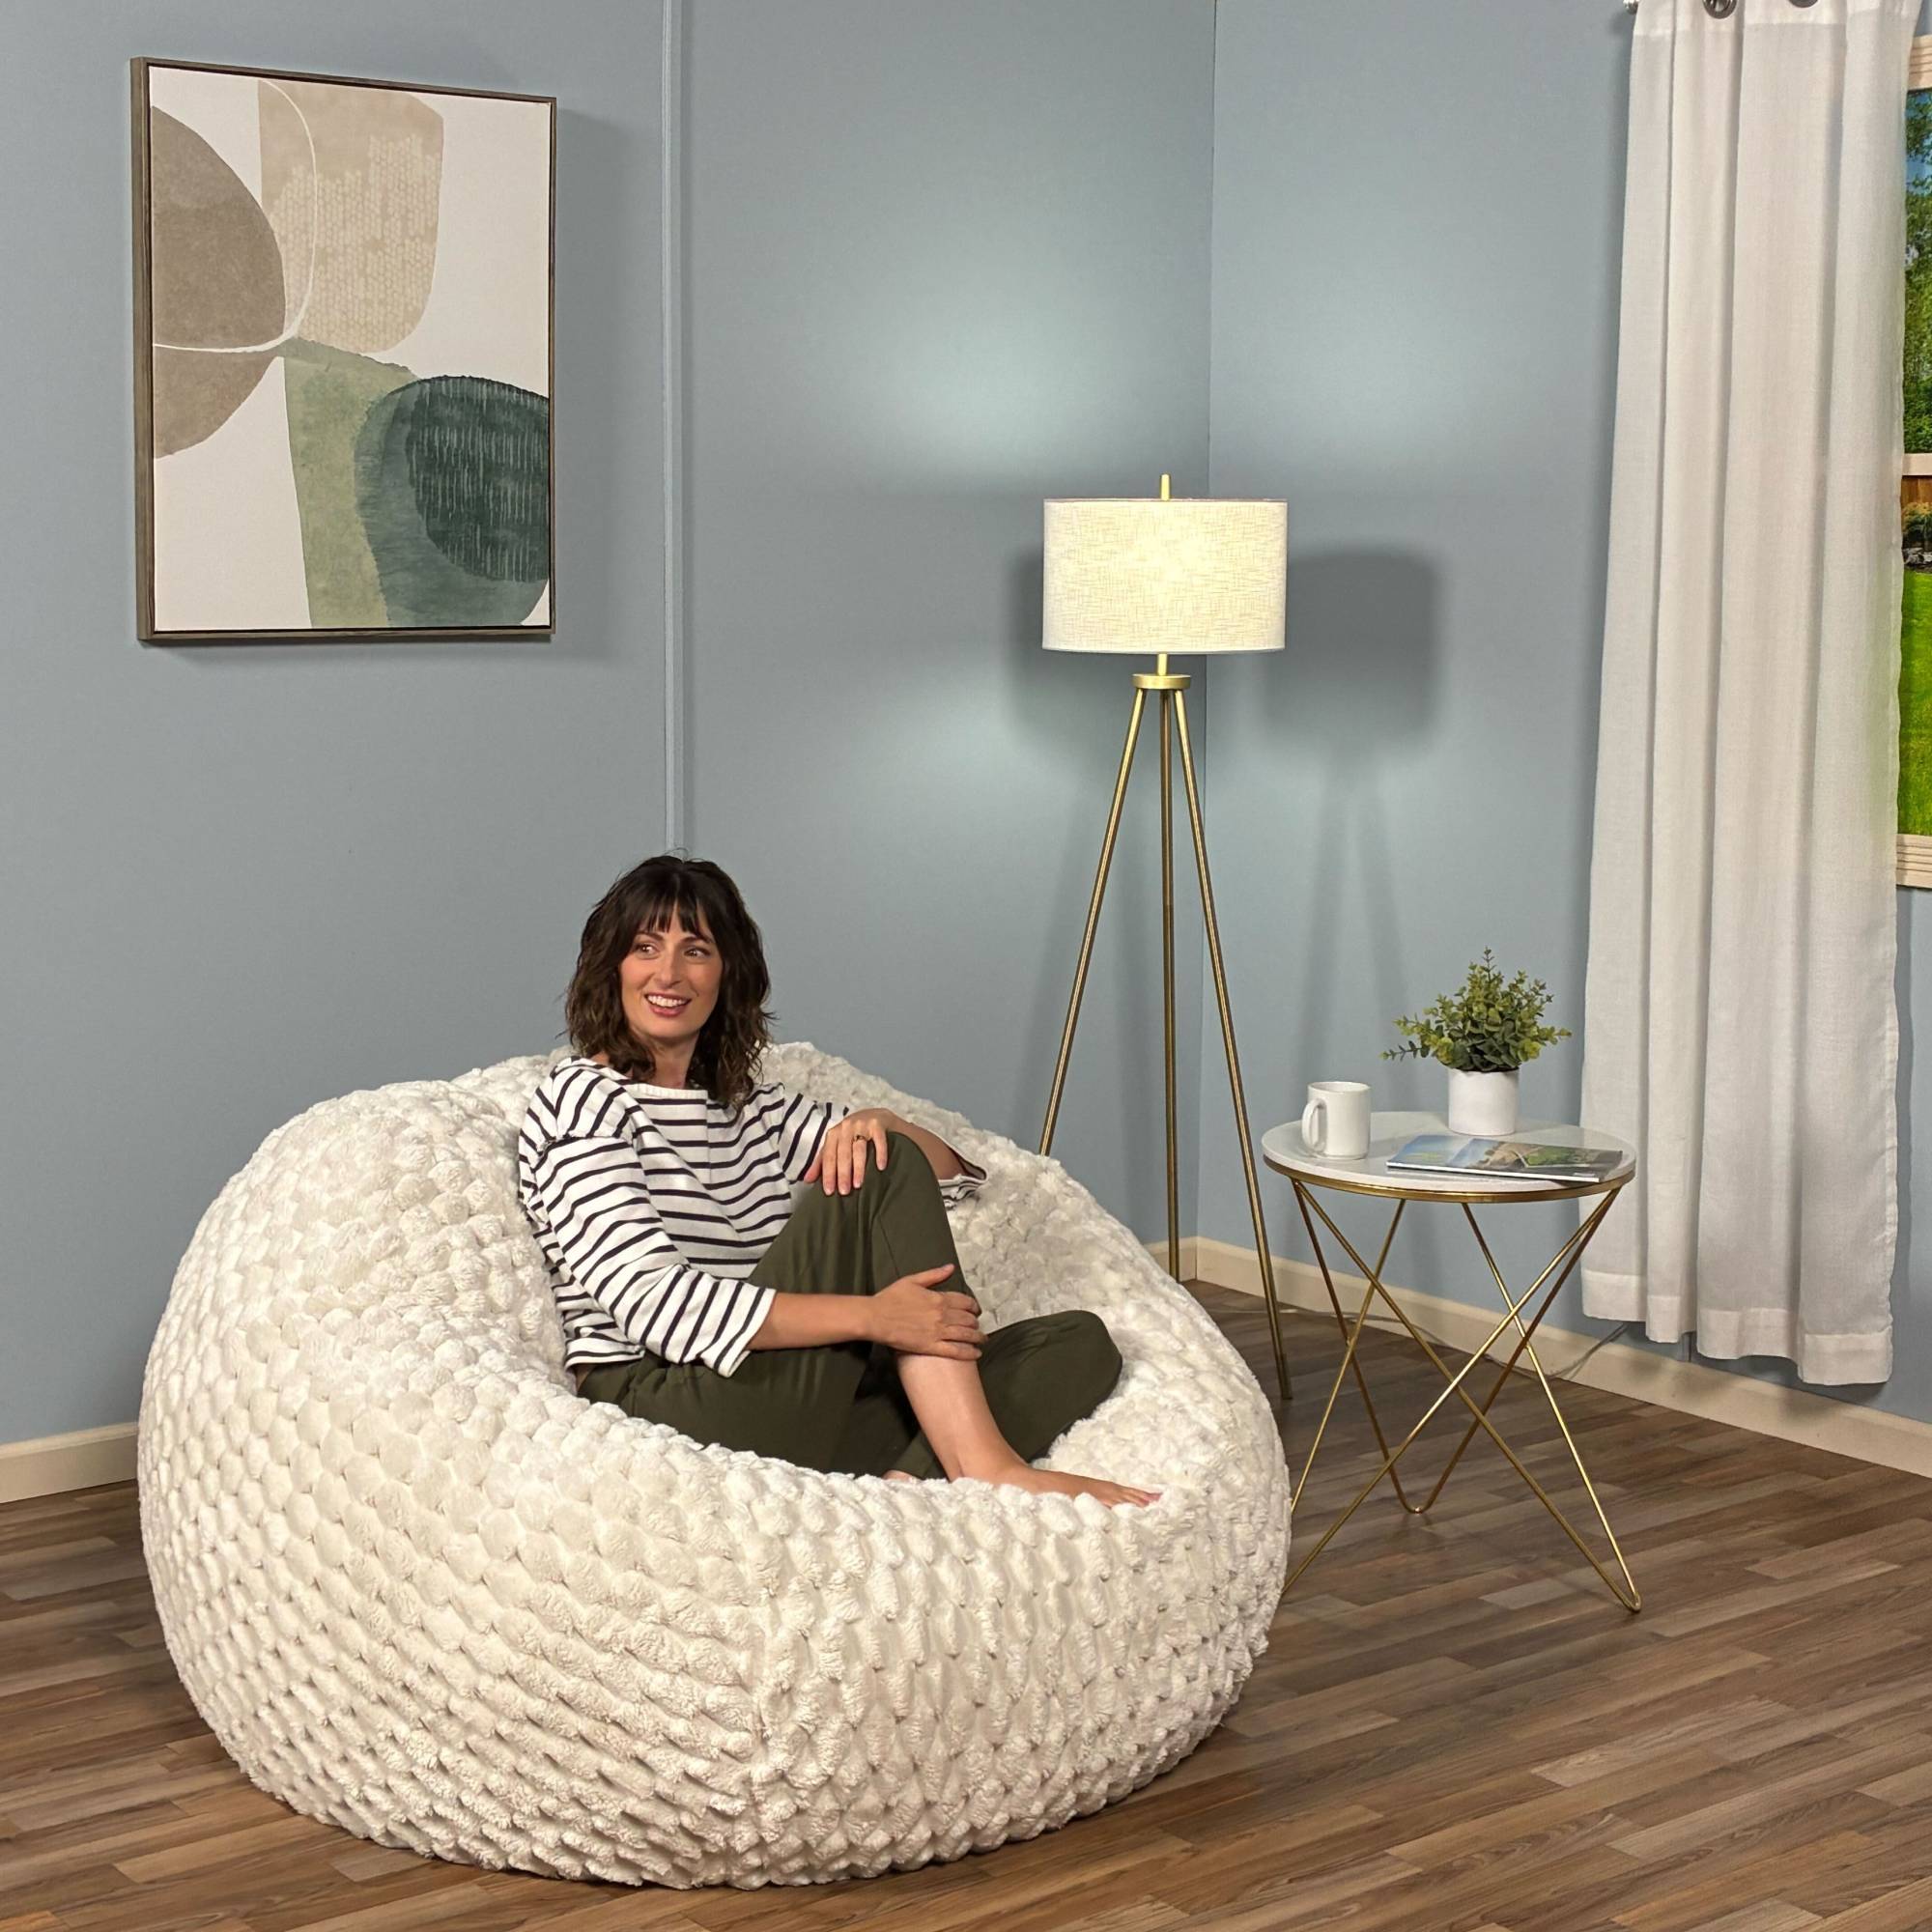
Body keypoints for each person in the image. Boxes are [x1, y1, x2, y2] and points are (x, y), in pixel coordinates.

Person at [516, 854, 1158, 1508]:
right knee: (882, 1161)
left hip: (786, 1396)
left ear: (728, 974)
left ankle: (908, 1482)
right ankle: (984, 1464)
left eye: (697, 950)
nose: (669, 974)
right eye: (645, 948)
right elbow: (657, 1306)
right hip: (672, 1403)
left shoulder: (749, 1108)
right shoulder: (584, 1099)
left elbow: (950, 1177)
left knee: (1079, 1344)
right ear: (612, 968)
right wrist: (878, 1318)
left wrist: (882, 1120)